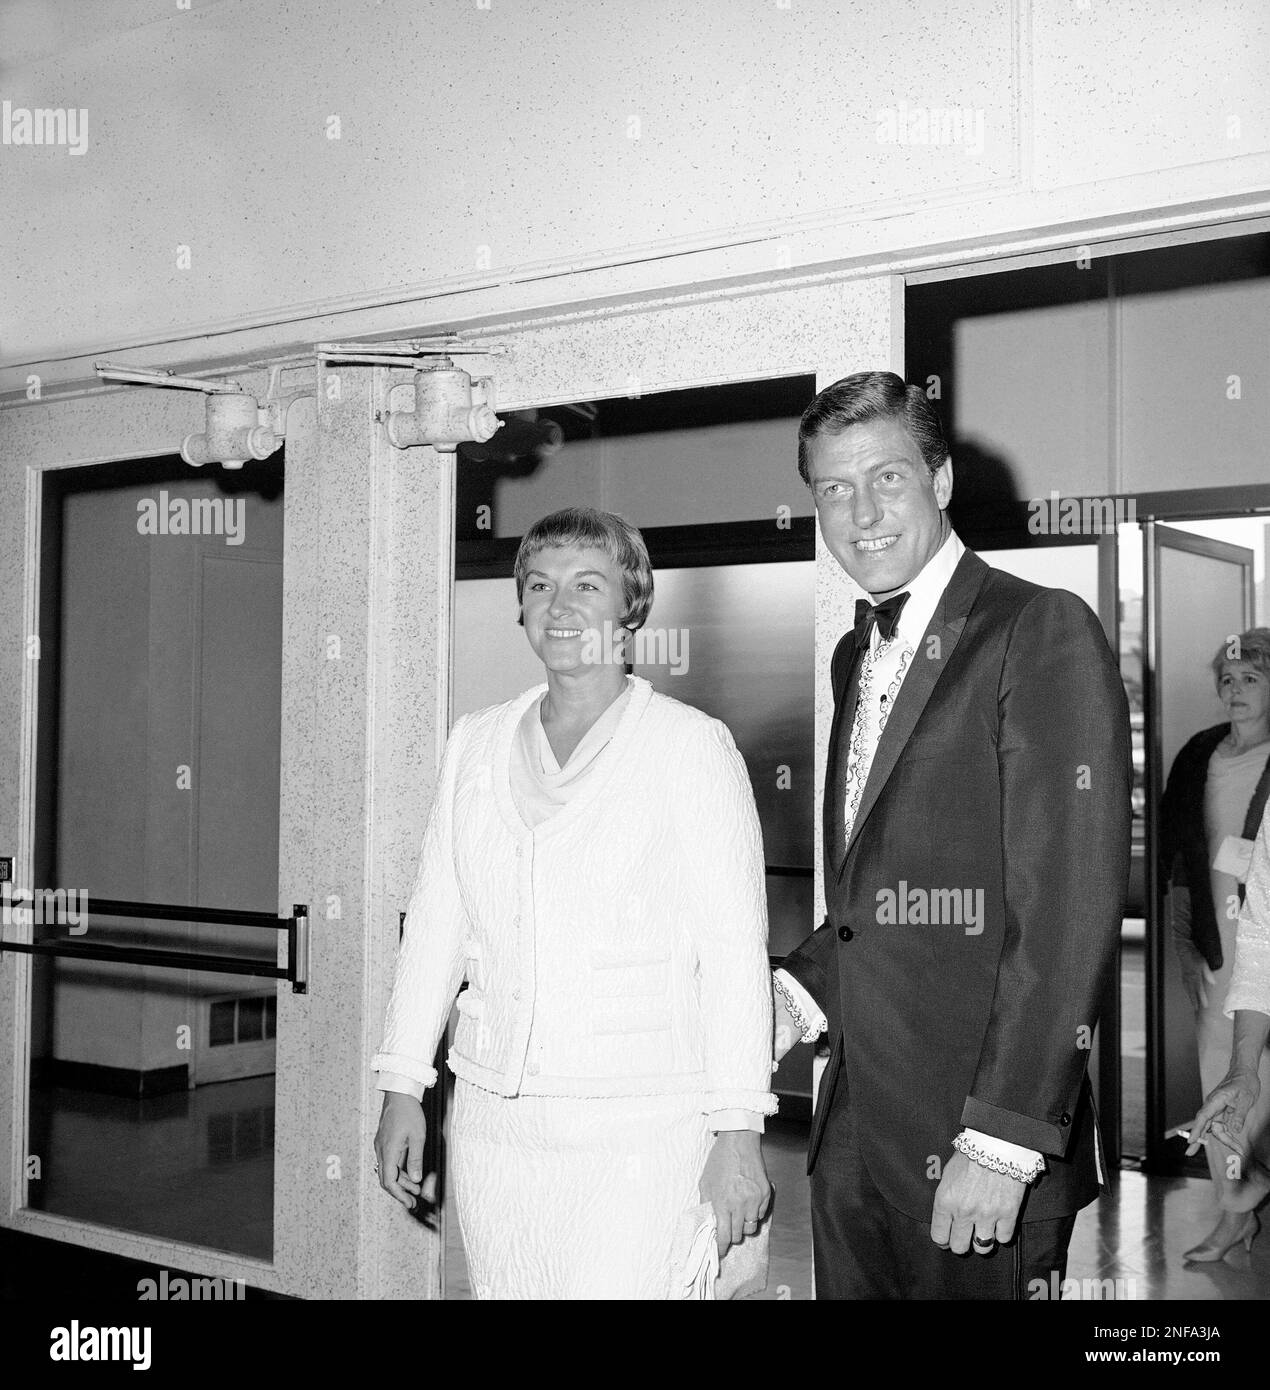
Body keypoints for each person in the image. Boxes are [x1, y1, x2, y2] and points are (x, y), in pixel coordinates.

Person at [770, 371, 1132, 1299]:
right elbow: (877, 897)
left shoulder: (1037, 627)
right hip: (851, 1132)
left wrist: (1004, 1139)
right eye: (832, 490)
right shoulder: (859, 651)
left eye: (886, 478)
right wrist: (796, 994)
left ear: (939, 480)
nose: (860, 512)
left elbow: (1065, 907)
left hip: (977, 1147)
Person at [371, 506, 776, 1299]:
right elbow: (436, 927)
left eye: (588, 584)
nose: (561, 607)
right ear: (520, 605)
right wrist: (401, 1086)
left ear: (632, 603)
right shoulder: (475, 743)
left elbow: (734, 952)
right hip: (497, 1123)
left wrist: (739, 1132)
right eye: (540, 585)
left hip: (640, 1128)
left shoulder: (689, 746)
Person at [1159, 628, 1270, 1260]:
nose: (1234, 691)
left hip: (1267, 934)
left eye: (1250, 679)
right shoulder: (1202, 752)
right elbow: (1177, 858)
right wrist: (1185, 944)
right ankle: (1236, 1206)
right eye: (1226, 680)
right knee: (1225, 1075)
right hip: (1221, 945)